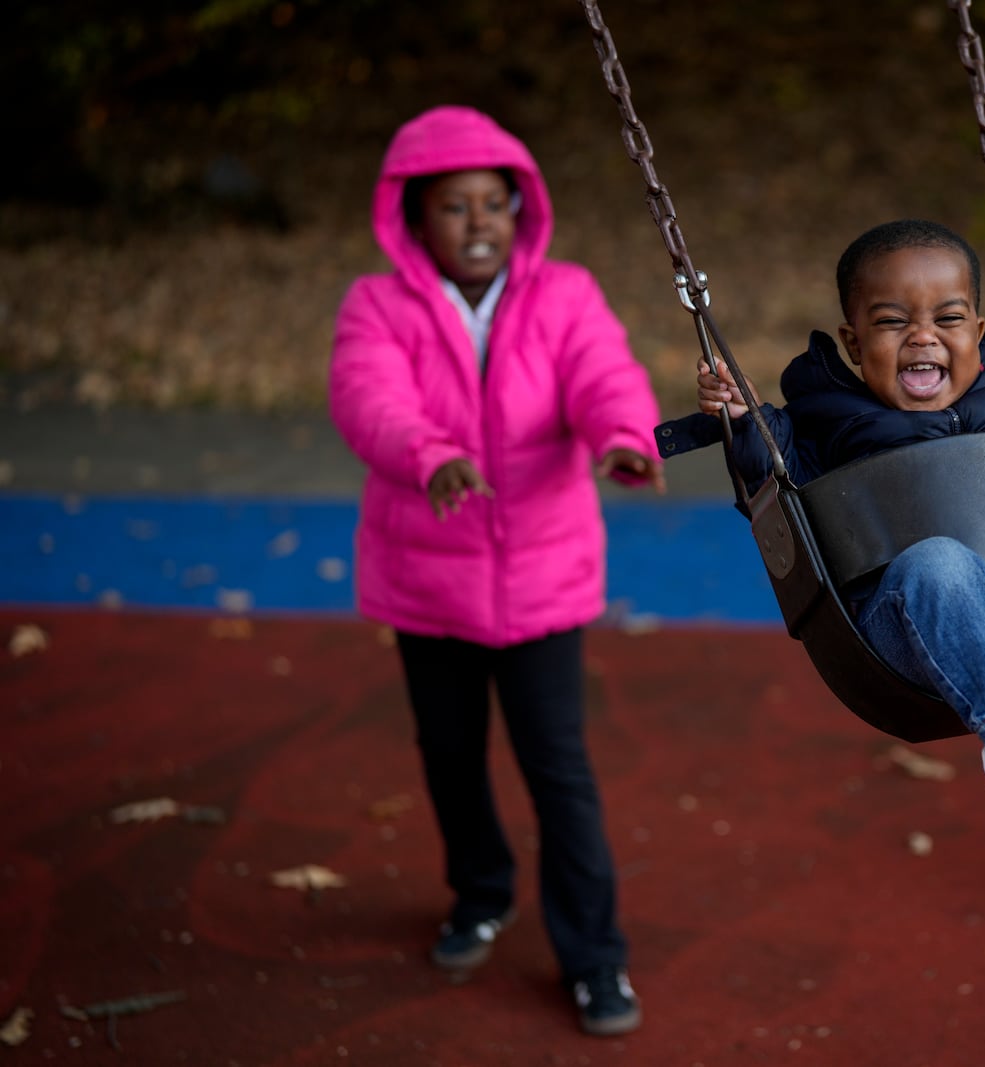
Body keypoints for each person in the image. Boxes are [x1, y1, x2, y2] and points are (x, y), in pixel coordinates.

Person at [666, 213, 985, 844]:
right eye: (892, 322)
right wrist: (742, 422)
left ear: (980, 331)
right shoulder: (825, 424)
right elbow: (770, 486)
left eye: (949, 318)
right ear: (854, 345)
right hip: (898, 634)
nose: (922, 337)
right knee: (938, 562)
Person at [328, 105, 661, 1037]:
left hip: (542, 583)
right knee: (449, 754)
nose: (477, 222)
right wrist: (428, 453)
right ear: (414, 220)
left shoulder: (563, 294)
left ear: (522, 212)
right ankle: (481, 890)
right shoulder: (378, 305)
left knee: (559, 769)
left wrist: (622, 437)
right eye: (453, 206)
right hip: (427, 580)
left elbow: (603, 374)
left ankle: (596, 957)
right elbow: (367, 397)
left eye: (494, 203)